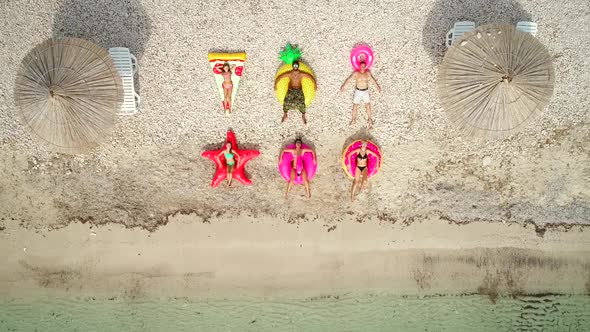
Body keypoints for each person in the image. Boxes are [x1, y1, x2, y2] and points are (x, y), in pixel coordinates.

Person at [340, 61, 382, 129]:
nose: (362, 67)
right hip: (358, 91)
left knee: (367, 105)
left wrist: (378, 87)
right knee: (355, 106)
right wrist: (343, 86)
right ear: (359, 66)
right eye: (361, 66)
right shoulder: (356, 73)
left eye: (364, 66)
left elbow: (373, 80)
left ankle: (370, 119)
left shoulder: (367, 73)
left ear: (365, 67)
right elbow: (349, 79)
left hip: (365, 91)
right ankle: (353, 119)